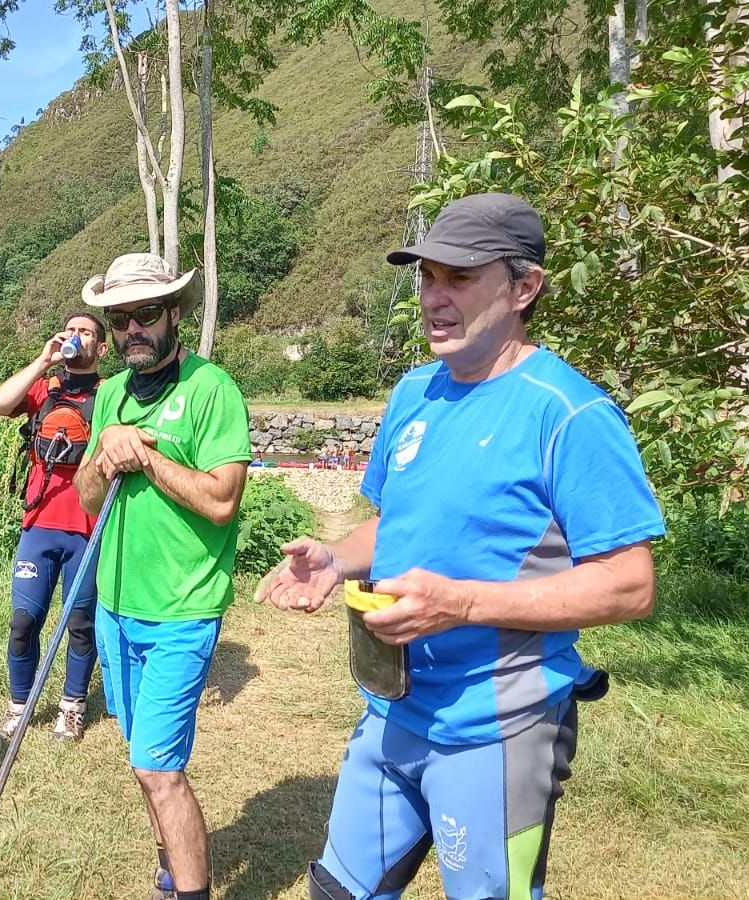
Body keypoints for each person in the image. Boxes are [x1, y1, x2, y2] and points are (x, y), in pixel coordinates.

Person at [258, 193, 666, 900]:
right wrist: (334, 557)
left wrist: (463, 603)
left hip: (497, 725)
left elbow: (630, 584)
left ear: (524, 286)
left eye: (459, 278)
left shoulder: (570, 413)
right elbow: (395, 524)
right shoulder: (415, 393)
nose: (434, 299)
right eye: (427, 279)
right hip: (392, 707)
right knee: (336, 890)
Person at [74, 253, 252, 900]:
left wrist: (144, 457)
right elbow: (89, 498)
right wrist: (107, 452)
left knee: (157, 768)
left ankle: (190, 893)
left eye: (146, 314)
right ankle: (171, 869)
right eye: (119, 319)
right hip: (118, 605)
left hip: (182, 607)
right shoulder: (113, 395)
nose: (132, 330)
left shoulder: (212, 389)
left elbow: (221, 500)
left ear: (174, 312)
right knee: (143, 760)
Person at [0, 311, 109, 742]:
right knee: (23, 622)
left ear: (102, 348)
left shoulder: (111, 396)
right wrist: (44, 361)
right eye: (71, 330)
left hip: (89, 531)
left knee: (80, 623)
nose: (76, 337)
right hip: (39, 526)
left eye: (86, 333)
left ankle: (71, 707)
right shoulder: (44, 388)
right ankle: (19, 708)